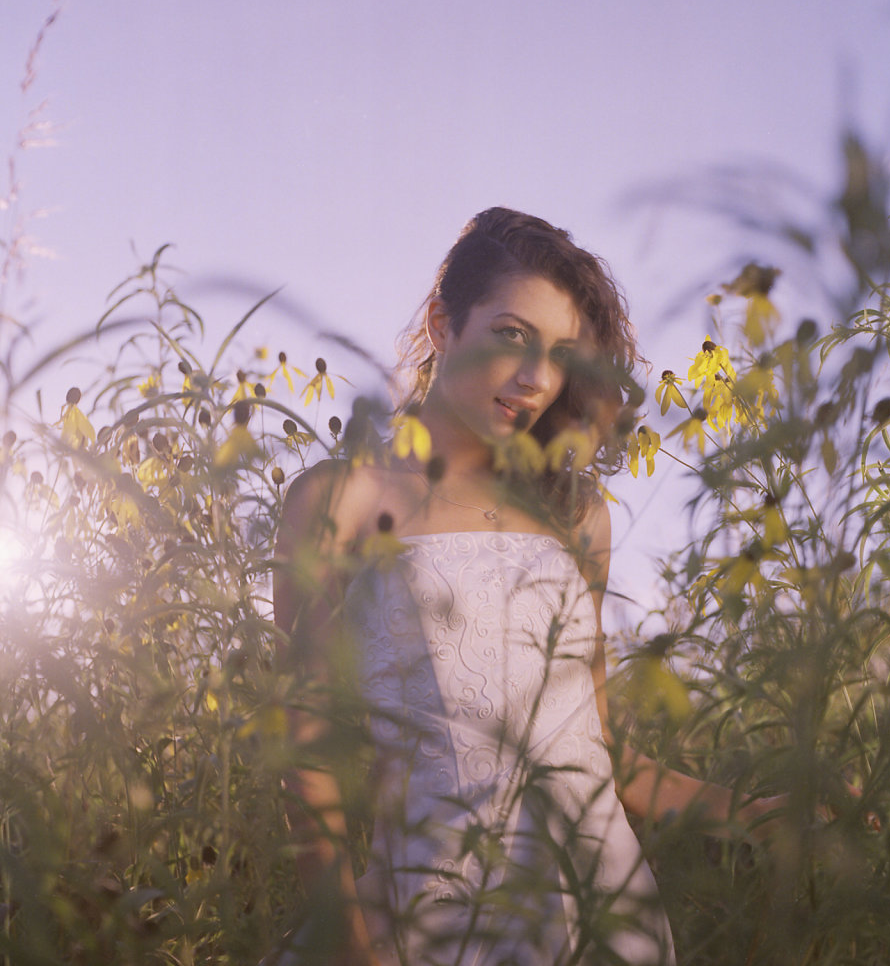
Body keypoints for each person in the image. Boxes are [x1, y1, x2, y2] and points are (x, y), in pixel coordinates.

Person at [272, 208, 782, 966]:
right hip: (433, 920)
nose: (537, 379)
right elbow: (306, 761)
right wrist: (353, 948)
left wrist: (754, 812)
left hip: (604, 916)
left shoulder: (577, 518)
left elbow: (597, 758)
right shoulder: (338, 502)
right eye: (511, 335)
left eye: (562, 354)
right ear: (443, 327)